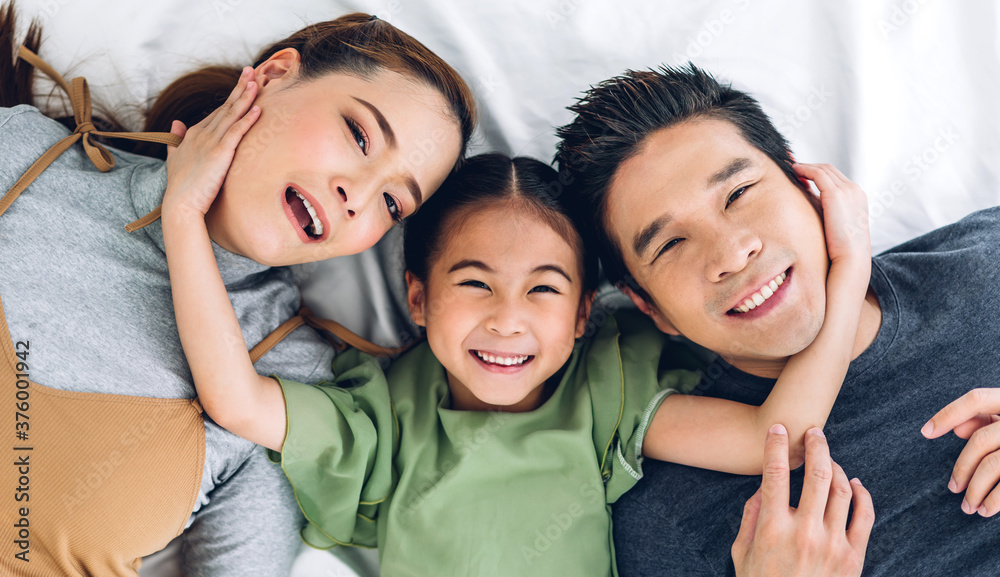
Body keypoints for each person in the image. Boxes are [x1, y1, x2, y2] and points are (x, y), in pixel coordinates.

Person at [161, 141, 873, 575]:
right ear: (419, 297)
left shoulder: (602, 392)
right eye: (474, 284)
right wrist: (184, 216)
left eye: (543, 289)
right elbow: (236, 399)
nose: (508, 318)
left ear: (582, 315)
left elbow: (769, 438)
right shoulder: (386, 419)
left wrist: (850, 271)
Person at [0, 4, 475, 575]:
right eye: (358, 134)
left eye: (393, 202)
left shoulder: (282, 383)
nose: (358, 196)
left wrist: (184, 214)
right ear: (274, 76)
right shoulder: (26, 159)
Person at [555, 63, 1000, 576]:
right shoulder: (672, 520)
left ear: (806, 187)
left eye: (739, 193)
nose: (732, 252)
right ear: (650, 307)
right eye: (671, 243)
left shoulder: (985, 261)